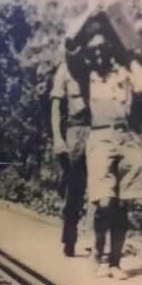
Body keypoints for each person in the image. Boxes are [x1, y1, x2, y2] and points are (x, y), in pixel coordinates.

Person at [80, 31, 142, 279]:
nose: (98, 52)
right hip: (100, 138)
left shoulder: (123, 73)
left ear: (111, 49)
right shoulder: (85, 74)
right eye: (93, 50)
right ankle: (98, 254)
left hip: (125, 138)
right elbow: (70, 44)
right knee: (104, 202)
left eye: (103, 47)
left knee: (124, 204)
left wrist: (129, 56)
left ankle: (115, 263)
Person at [50, 47, 91, 257]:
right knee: (74, 188)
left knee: (102, 187)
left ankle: (97, 242)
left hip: (98, 127)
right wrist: (58, 138)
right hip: (75, 131)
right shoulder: (64, 70)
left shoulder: (96, 64)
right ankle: (70, 237)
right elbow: (56, 107)